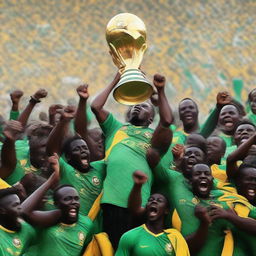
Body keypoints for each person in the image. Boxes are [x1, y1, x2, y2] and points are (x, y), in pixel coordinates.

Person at [91, 73, 173, 249]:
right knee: (112, 249)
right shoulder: (116, 128)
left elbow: (166, 120)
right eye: (135, 105)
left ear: (151, 118)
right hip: (111, 202)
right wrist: (115, 80)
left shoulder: (153, 136)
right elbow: (96, 106)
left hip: (138, 206)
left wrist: (160, 89)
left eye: (143, 106)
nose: (137, 107)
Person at [21, 154, 94, 256]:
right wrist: (51, 181)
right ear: (56, 204)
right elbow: (23, 211)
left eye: (76, 198)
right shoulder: (51, 218)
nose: (73, 202)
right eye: (67, 199)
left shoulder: (87, 224)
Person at [116, 171, 189, 256]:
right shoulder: (130, 236)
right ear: (146, 207)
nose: (154, 201)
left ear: (166, 210)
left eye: (159, 201)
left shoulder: (175, 238)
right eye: (150, 200)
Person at [0, 187, 36, 255]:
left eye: (20, 203)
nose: (21, 207)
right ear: (2, 211)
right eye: (15, 205)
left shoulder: (28, 230)